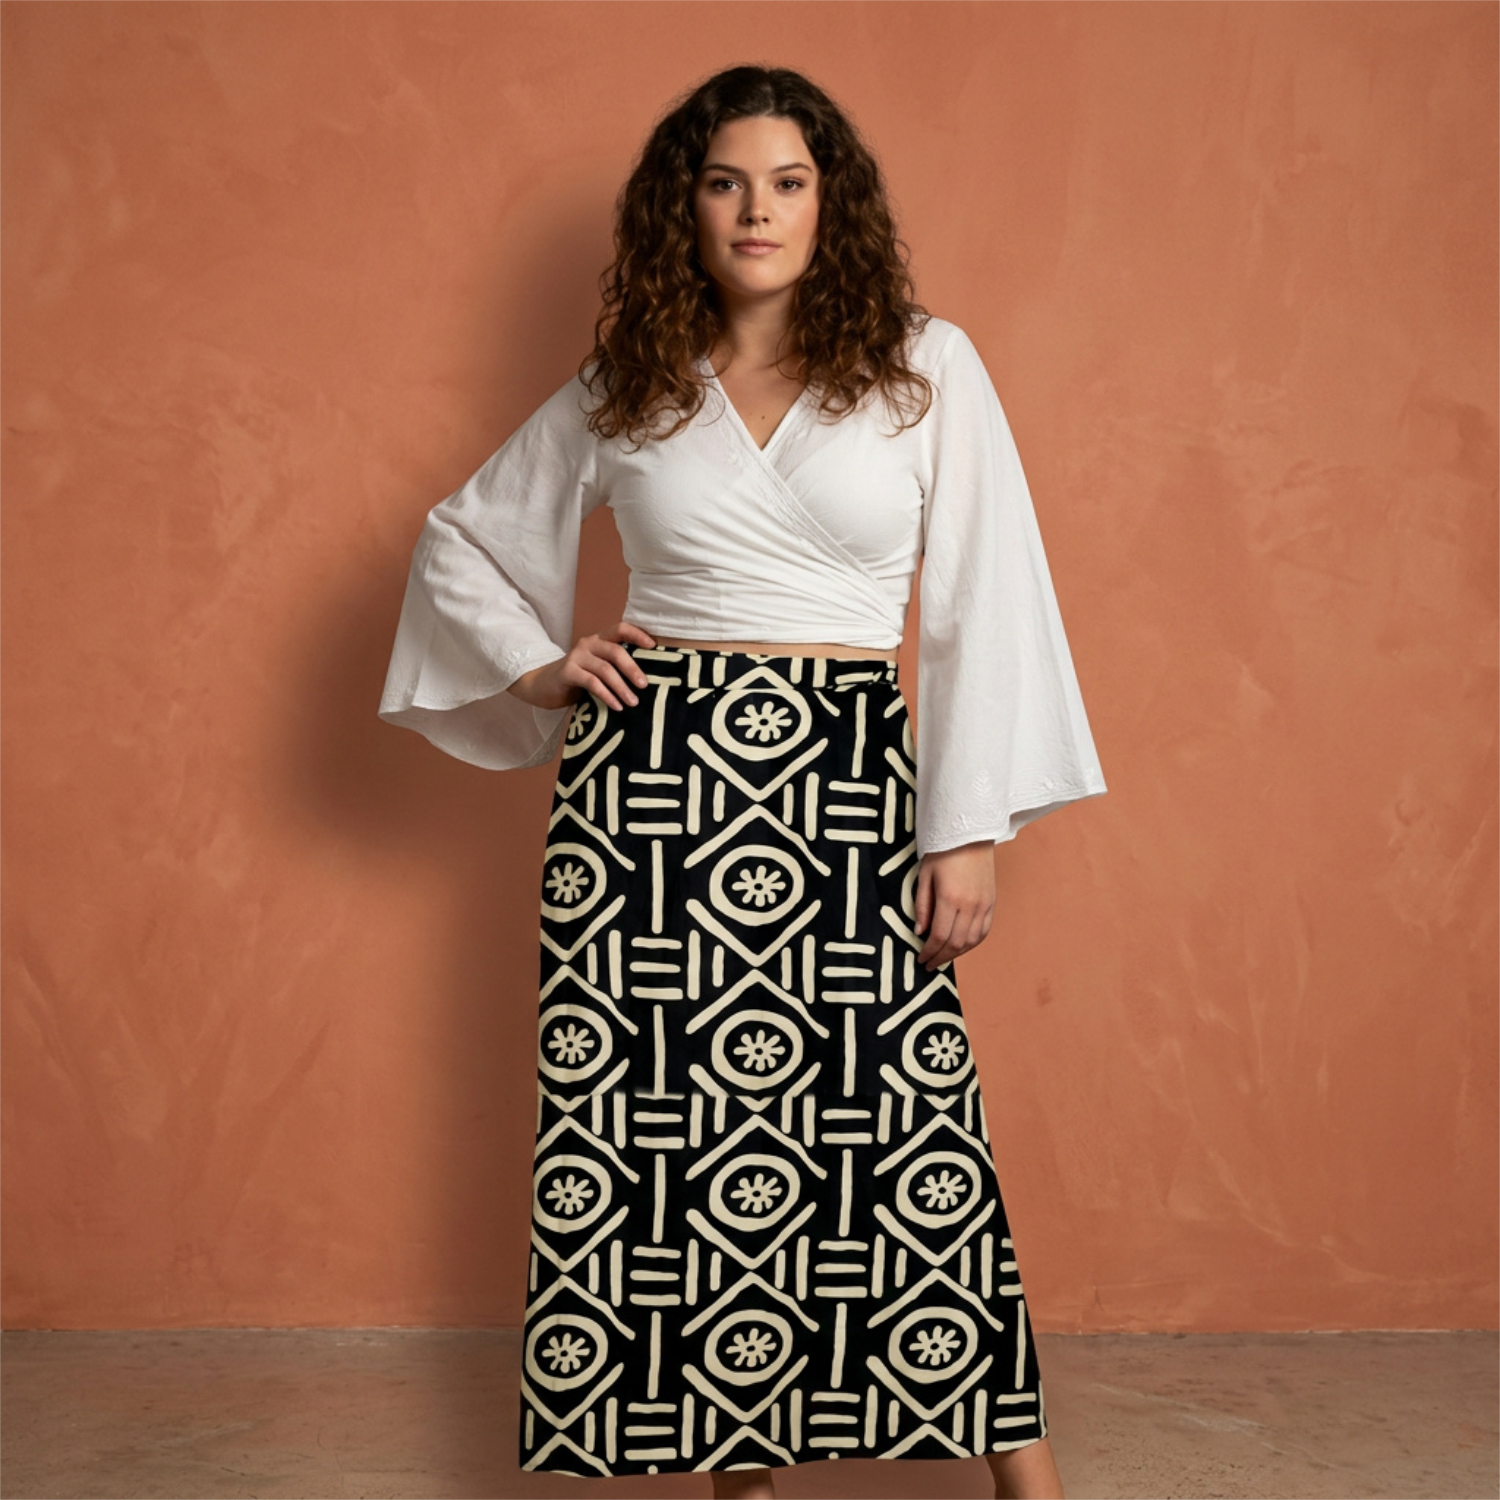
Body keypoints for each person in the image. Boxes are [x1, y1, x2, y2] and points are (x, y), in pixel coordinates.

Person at [379, 63, 1105, 1500]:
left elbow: (986, 599)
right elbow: (463, 540)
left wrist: (967, 830)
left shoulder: (923, 366)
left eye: (787, 182)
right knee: (676, 1147)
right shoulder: (632, 384)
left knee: (907, 1140)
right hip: (651, 806)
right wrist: (540, 665)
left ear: (832, 206)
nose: (756, 210)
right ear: (686, 208)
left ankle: (1028, 1487)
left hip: (847, 786)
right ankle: (740, 1482)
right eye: (725, 183)